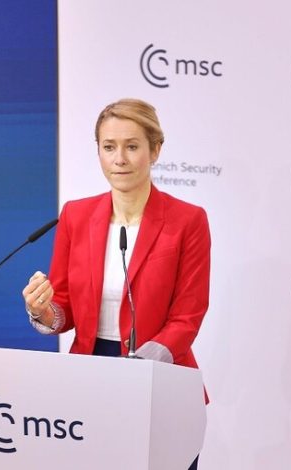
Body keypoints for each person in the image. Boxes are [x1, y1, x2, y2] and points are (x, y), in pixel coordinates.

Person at [22, 98, 210, 470]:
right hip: (90, 378)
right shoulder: (76, 215)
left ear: (155, 150)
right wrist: (44, 311)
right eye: (109, 147)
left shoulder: (188, 221)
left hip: (161, 378)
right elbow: (64, 307)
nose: (119, 159)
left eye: (132, 146)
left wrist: (138, 369)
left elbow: (188, 317)